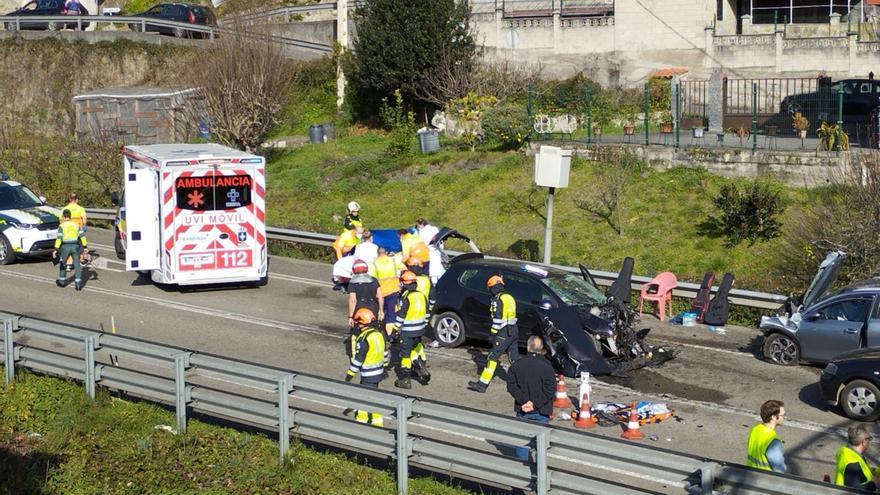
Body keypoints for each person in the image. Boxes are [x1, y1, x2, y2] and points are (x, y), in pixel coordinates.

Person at [468, 275, 519, 393]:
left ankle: (482, 384)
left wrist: (493, 334)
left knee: (492, 357)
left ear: (492, 287)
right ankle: (521, 382)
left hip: (503, 332)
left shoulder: (497, 298)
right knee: (514, 358)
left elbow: (497, 318)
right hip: (514, 330)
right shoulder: (509, 297)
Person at [345, 308, 388, 427]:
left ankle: (362, 421)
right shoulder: (379, 335)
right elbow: (384, 353)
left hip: (368, 374)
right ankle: (377, 422)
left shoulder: (363, 339)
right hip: (378, 372)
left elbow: (358, 360)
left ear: (361, 323)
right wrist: (384, 367)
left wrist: (350, 374)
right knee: (374, 396)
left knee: (364, 398)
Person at [506, 336, 557, 424]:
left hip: (522, 409)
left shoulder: (516, 365)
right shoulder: (547, 367)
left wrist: (524, 401)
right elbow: (550, 390)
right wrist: (534, 404)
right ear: (541, 348)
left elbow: (511, 386)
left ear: (528, 347)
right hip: (541, 411)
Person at [392, 270, 429, 389]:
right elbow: (427, 313)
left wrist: (395, 330)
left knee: (405, 355)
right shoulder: (421, 295)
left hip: (407, 331)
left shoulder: (406, 296)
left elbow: (401, 315)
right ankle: (419, 364)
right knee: (415, 347)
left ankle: (405, 380)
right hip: (420, 330)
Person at [745, 400, 787, 473]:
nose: (784, 418)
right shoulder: (773, 441)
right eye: (782, 415)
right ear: (773, 417)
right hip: (765, 478)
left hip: (749, 473)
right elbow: (779, 468)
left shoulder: (756, 429)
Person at [371, 247, 404, 335]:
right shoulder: (393, 261)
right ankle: (390, 335)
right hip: (393, 291)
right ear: (386, 252)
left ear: (377, 253)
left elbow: (371, 279)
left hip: (380, 293)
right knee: (391, 314)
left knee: (380, 312)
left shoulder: (374, 263)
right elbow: (404, 269)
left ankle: (377, 331)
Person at [835, 424, 878, 491]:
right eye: (869, 440)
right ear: (864, 442)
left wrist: (875, 471)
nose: (869, 442)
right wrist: (875, 484)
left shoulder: (846, 451)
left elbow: (862, 470)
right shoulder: (853, 464)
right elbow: (854, 491)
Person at [53, 209, 86, 291]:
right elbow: (82, 236)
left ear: (64, 216)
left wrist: (56, 249)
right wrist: (85, 247)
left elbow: (59, 238)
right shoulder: (76, 225)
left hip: (65, 247)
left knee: (63, 263)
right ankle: (78, 284)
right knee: (77, 264)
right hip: (75, 246)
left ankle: (62, 281)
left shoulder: (62, 226)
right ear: (70, 216)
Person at [347, 259, 383, 329]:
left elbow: (353, 301)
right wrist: (381, 311)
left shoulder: (352, 283)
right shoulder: (374, 280)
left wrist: (350, 316)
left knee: (358, 330)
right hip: (373, 307)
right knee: (373, 328)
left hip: (359, 308)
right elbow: (380, 297)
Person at [416, 218, 444, 283]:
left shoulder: (421, 232)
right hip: (437, 250)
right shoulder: (435, 228)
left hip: (429, 252)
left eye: (418, 226)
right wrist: (441, 250)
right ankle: (441, 280)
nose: (418, 227)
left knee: (432, 269)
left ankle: (434, 283)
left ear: (422, 224)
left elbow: (421, 244)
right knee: (438, 266)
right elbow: (440, 239)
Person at [63, 192, 88, 262]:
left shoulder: (65, 208)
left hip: (68, 230)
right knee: (81, 244)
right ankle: (82, 259)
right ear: (77, 199)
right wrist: (84, 225)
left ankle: (68, 263)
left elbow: (61, 220)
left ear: (69, 199)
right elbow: (84, 218)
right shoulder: (80, 209)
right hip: (78, 229)